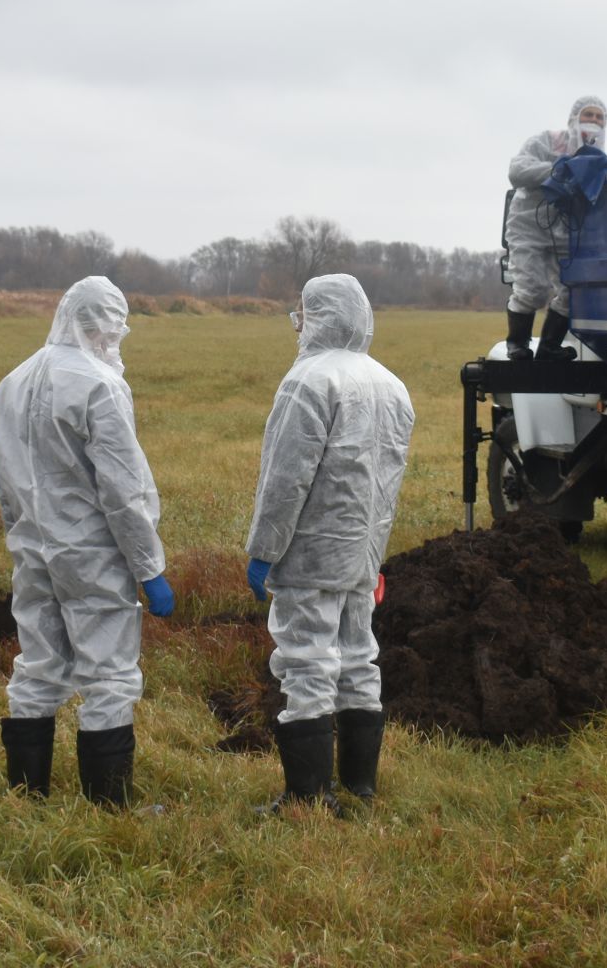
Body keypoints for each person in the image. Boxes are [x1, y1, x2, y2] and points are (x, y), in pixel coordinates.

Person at [0, 276, 175, 807]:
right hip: (92, 553)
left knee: (39, 663)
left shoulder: (12, 383)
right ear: (106, 325)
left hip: (33, 549)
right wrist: (148, 566)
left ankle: (27, 796)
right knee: (109, 672)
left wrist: (20, 534)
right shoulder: (99, 385)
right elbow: (121, 489)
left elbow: (5, 481)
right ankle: (109, 805)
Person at [245, 274, 415, 811]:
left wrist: (263, 548)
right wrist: (375, 554)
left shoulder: (308, 382)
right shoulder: (391, 385)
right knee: (360, 658)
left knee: (308, 661)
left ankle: (308, 798)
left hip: (311, 552)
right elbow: (387, 479)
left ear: (318, 316)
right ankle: (359, 786)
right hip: (362, 555)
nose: (298, 322)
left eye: (302, 312)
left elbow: (285, 478)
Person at [503, 95, 607, 361]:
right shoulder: (548, 140)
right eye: (589, 115)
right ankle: (517, 344)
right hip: (528, 225)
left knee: (573, 289)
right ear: (574, 117)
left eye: (600, 117)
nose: (594, 121)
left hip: (567, 229)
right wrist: (558, 170)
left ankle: (550, 347)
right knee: (532, 288)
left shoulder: (597, 155)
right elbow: (517, 170)